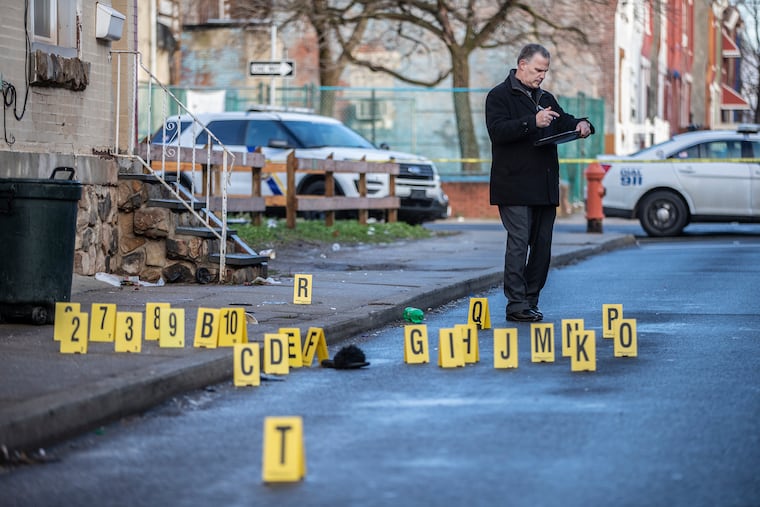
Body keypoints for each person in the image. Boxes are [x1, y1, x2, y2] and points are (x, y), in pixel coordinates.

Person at [485, 44, 594, 322]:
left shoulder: (546, 97)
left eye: (545, 71)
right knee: (519, 242)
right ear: (521, 64)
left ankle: (531, 300)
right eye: (537, 70)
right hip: (514, 184)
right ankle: (516, 304)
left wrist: (582, 125)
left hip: (544, 185)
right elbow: (498, 132)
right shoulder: (499, 96)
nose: (541, 76)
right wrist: (532, 121)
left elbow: (563, 121)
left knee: (542, 245)